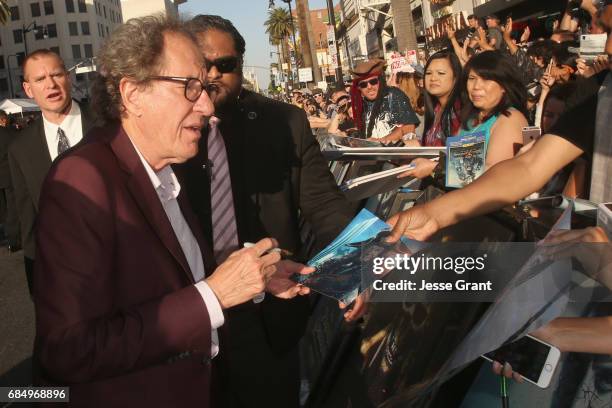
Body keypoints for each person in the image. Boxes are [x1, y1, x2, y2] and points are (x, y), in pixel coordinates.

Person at [33, 16, 311, 407]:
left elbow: (171, 289)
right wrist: (214, 294)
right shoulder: (83, 179)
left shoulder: (163, 170)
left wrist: (252, 278)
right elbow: (68, 349)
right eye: (190, 87)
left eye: (206, 87)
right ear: (132, 93)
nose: (207, 104)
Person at [180, 15, 359, 408]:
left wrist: (356, 265)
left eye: (225, 65)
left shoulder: (284, 122)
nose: (212, 74)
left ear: (240, 66)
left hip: (269, 319)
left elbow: (326, 205)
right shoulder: (165, 128)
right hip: (187, 323)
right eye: (201, 64)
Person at [386, 2, 612, 242]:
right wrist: (434, 213)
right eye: (607, 32)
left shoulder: (509, 119)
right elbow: (528, 167)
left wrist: (437, 168)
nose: (608, 47)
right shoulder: (598, 93)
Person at [7, 49, 99, 296]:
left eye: (57, 74)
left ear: (68, 78)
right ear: (29, 90)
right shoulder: (20, 148)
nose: (50, 84)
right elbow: (29, 219)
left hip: (121, 262)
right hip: (62, 277)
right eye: (40, 79)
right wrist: (38, 287)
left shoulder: (107, 125)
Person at [458, 50, 528, 172]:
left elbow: (494, 174)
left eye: (486, 79)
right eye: (472, 78)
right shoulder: (470, 119)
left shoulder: (510, 119)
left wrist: (438, 168)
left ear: (504, 85)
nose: (476, 86)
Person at [399, 50, 463, 180]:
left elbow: (466, 168)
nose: (433, 78)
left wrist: (434, 168)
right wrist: (417, 146)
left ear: (455, 78)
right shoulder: (435, 109)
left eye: (441, 73)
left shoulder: (460, 111)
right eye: (428, 73)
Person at [350, 59, 420, 143]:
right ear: (359, 88)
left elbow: (408, 128)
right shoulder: (362, 104)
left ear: (380, 81)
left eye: (373, 81)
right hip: (372, 154)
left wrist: (380, 141)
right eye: (363, 84)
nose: (369, 87)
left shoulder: (393, 95)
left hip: (395, 154)